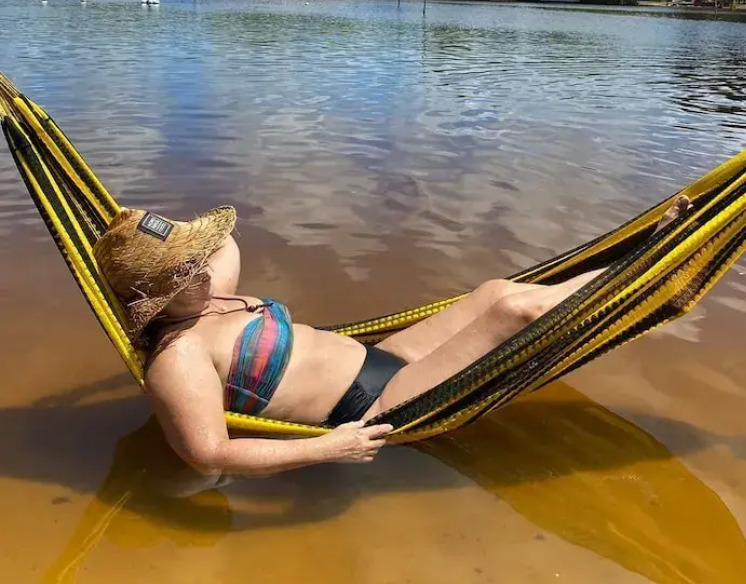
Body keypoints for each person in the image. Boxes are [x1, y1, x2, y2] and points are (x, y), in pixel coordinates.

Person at [93, 198, 690, 479]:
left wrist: (140, 233)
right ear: (161, 294)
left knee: (491, 291)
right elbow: (207, 455)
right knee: (516, 311)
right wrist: (325, 451)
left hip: (386, 357)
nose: (203, 265)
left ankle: (633, 260)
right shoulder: (179, 357)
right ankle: (655, 265)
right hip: (373, 407)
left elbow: (224, 242)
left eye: (195, 258)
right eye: (185, 267)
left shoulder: (204, 290)